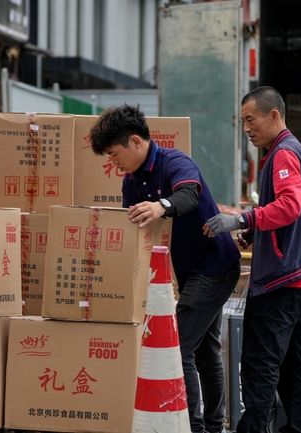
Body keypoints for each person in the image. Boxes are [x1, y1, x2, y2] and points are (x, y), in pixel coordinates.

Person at [89, 104, 240, 433]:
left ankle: (194, 426)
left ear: (135, 141)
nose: (113, 164)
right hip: (185, 272)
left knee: (179, 346)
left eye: (115, 155)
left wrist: (161, 205)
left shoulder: (175, 162)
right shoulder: (132, 181)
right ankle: (215, 425)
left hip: (214, 265)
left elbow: (189, 194)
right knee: (205, 349)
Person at [205, 86, 301, 433]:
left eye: (251, 119)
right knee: (294, 364)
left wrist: (244, 219)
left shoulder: (283, 154)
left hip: (282, 277)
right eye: (243, 121)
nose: (247, 128)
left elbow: (291, 206)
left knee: (260, 363)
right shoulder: (294, 152)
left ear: (273, 116)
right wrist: (258, 231)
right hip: (300, 277)